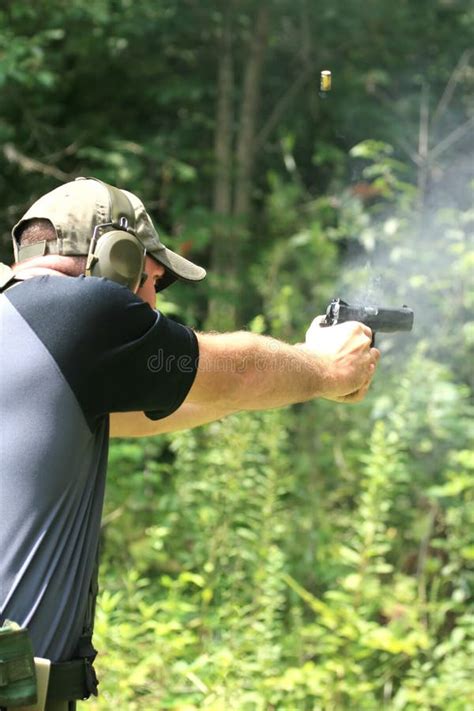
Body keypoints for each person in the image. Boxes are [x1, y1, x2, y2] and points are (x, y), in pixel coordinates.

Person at [0, 177, 380, 710]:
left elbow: (162, 409)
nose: (153, 301)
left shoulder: (25, 339)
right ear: (117, 258)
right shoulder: (83, 313)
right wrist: (322, 366)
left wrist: (293, 379)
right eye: (152, 279)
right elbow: (241, 371)